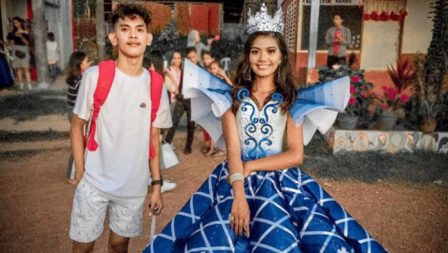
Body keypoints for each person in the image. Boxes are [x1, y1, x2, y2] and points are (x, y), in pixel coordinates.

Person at [144, 4, 386, 253]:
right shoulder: (231, 98)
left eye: (271, 51)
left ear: (281, 56)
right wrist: (239, 196)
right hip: (235, 179)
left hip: (280, 182)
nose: (263, 58)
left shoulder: (292, 99)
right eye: (256, 51)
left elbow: (295, 155)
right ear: (248, 56)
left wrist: (253, 166)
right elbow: (234, 151)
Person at [69, 4, 172, 253]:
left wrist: (156, 186)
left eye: (139, 29)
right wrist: (82, 171)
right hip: (94, 181)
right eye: (125, 29)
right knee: (82, 246)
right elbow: (76, 125)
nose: (133, 34)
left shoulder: (156, 85)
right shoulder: (95, 76)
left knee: (119, 246)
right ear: (114, 38)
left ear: (148, 38)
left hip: (133, 186)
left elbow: (154, 137)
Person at [148, 49, 177, 193]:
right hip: (155, 124)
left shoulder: (152, 77)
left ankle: (152, 179)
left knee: (150, 154)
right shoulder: (155, 79)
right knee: (155, 154)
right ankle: (157, 182)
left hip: (150, 123)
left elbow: (175, 89)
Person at [163, 47, 197, 154]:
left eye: (193, 57)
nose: (191, 59)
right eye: (189, 57)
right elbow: (173, 84)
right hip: (181, 99)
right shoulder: (178, 69)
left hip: (192, 100)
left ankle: (188, 146)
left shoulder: (194, 70)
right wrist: (179, 95)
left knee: (191, 124)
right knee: (174, 122)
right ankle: (166, 144)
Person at [65, 51, 91, 185]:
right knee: (79, 143)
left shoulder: (73, 78)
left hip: (72, 113)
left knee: (79, 142)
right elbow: (83, 101)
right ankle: (75, 175)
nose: (90, 64)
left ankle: (77, 172)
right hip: (78, 115)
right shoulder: (81, 81)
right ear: (80, 65)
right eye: (87, 62)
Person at [7, 17, 32, 90]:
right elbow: (7, 42)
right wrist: (10, 46)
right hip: (16, 50)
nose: (15, 24)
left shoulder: (25, 32)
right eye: (14, 23)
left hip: (24, 50)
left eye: (16, 23)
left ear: (20, 23)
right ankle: (21, 84)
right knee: (19, 69)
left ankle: (29, 84)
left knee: (26, 68)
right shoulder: (11, 33)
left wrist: (21, 36)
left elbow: (27, 43)